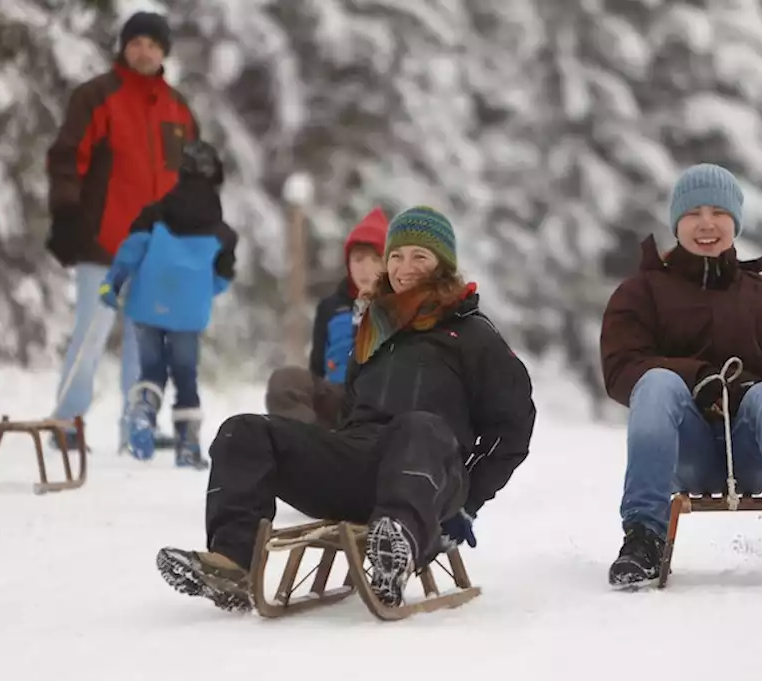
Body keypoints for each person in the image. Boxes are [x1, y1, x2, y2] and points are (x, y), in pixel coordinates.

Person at [154, 206, 537, 610]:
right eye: (396, 256)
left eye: (419, 257)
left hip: (431, 475)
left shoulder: (473, 334)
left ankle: (396, 549)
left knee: (418, 427)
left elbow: (512, 429)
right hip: (362, 463)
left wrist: (469, 501)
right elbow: (350, 410)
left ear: (443, 265)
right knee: (243, 432)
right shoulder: (374, 330)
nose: (404, 268)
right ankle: (231, 564)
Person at [600, 164, 762, 592]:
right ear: (677, 222)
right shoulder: (641, 293)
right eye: (693, 212)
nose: (706, 223)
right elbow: (621, 367)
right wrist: (697, 377)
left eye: (718, 212)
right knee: (656, 382)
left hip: (755, 450)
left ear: (736, 221)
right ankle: (643, 538)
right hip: (683, 449)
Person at [45, 11, 198, 449]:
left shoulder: (178, 109)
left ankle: (138, 428)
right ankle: (66, 424)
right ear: (123, 47)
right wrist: (66, 215)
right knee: (91, 332)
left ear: (164, 52)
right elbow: (67, 158)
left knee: (146, 343)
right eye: (136, 42)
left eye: (153, 44)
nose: (144, 50)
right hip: (102, 241)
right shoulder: (96, 96)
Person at [99, 140, 237, 469]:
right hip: (189, 312)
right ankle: (187, 444)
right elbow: (222, 278)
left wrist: (113, 282)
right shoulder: (222, 233)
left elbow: (131, 251)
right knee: (185, 375)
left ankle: (144, 414)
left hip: (147, 304)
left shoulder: (154, 215)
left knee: (151, 370)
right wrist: (200, 290)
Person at [264, 207, 388, 428]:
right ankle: (306, 442)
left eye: (375, 259)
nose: (366, 269)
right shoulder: (331, 307)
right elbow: (317, 368)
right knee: (285, 381)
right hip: (336, 395)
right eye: (358, 259)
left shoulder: (397, 305)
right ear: (348, 263)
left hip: (379, 399)